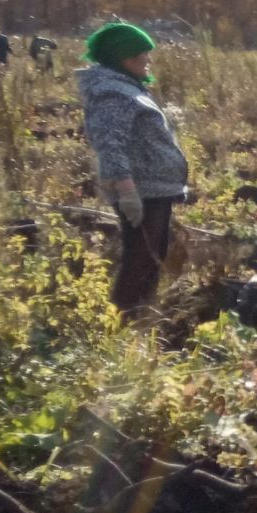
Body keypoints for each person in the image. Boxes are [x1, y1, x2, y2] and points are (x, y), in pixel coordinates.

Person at [76, 23, 189, 314]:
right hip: (142, 191)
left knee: (152, 257)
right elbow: (109, 144)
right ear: (124, 58)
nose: (148, 61)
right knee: (140, 260)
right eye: (143, 56)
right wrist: (127, 191)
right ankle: (125, 320)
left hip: (155, 189)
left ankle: (141, 316)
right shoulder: (112, 93)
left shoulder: (126, 86)